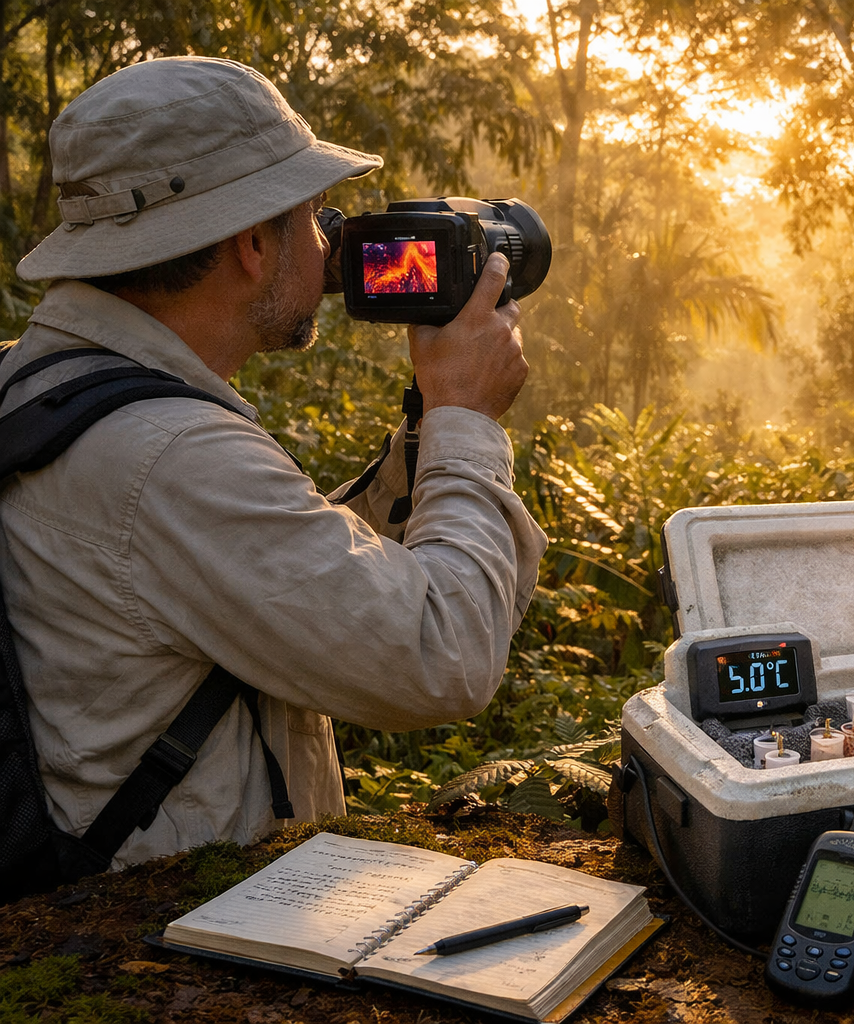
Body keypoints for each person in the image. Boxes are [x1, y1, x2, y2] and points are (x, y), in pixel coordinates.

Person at [0, 57, 547, 870]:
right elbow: (444, 657)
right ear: (254, 244)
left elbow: (291, 571)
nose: (330, 247)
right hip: (179, 935)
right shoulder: (170, 456)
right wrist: (465, 420)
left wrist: (425, 434)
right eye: (316, 216)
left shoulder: (31, 376)